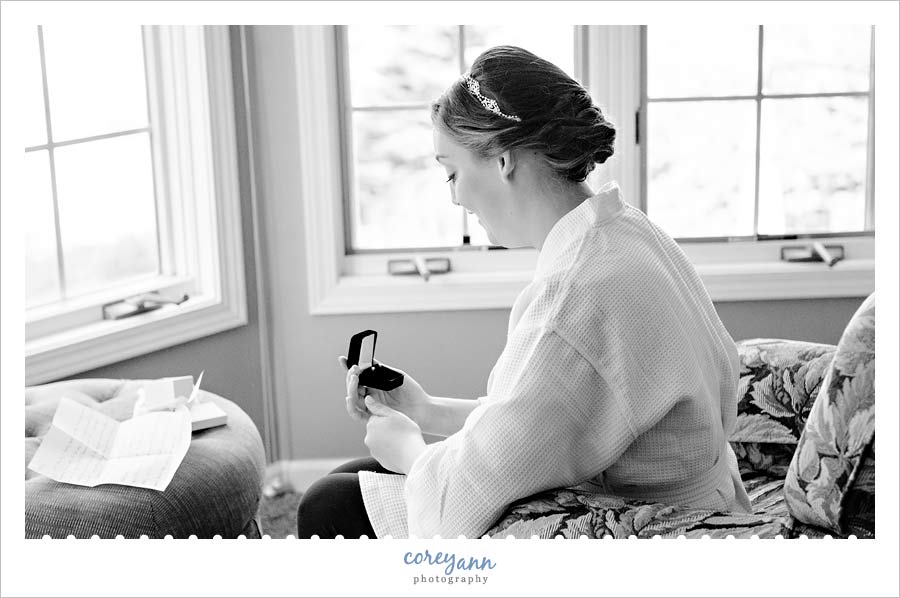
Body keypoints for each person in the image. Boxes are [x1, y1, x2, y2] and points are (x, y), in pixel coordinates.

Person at [296, 45, 752, 540]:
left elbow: (468, 490)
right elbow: (543, 424)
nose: (454, 196)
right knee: (351, 476)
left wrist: (409, 448)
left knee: (327, 504)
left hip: (655, 527)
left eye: (452, 172)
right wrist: (424, 412)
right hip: (697, 492)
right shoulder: (628, 231)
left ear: (504, 161)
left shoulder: (575, 295)